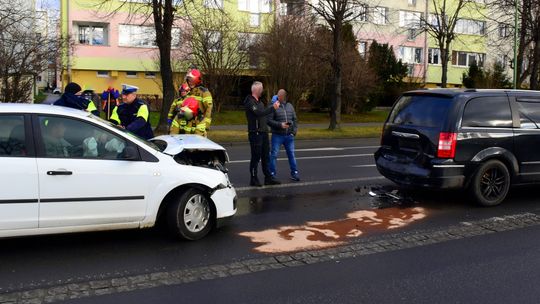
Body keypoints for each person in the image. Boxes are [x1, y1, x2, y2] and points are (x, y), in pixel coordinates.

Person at [244, 81, 281, 187]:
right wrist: (272, 108)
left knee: (266, 156)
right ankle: (254, 179)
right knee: (256, 157)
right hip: (255, 133)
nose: (262, 91)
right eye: (261, 89)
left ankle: (268, 178)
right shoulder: (250, 102)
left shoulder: (260, 102)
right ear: (257, 90)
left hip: (263, 133)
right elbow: (258, 113)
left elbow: (263, 116)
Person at [267, 89, 300, 181]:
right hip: (277, 135)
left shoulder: (290, 106)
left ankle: (295, 173)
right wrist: (280, 125)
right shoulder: (274, 106)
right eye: (278, 95)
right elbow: (269, 121)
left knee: (291, 155)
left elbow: (295, 120)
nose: (278, 97)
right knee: (273, 155)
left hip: (289, 136)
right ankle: (272, 174)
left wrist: (294, 132)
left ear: (284, 96)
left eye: (280, 95)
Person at [185, 69, 212, 137]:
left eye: (191, 80)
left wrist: (205, 125)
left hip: (199, 124)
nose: (189, 82)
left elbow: (209, 110)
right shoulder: (188, 93)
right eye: (188, 80)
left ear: (197, 80)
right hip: (188, 124)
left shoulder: (204, 92)